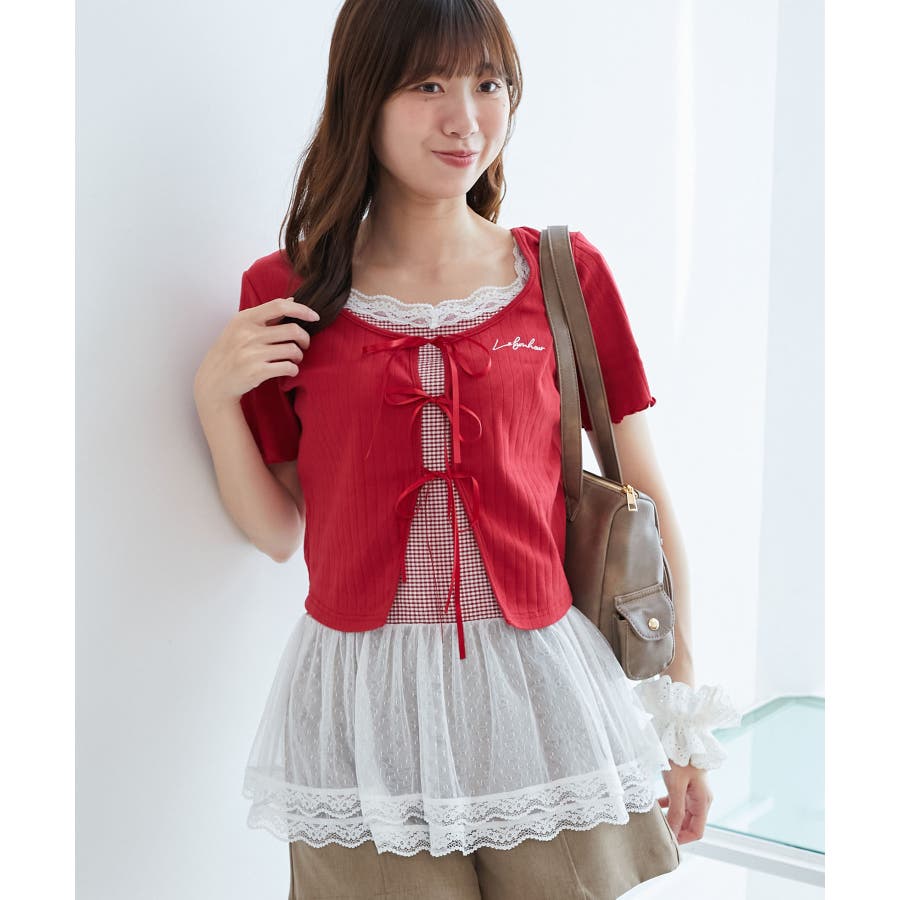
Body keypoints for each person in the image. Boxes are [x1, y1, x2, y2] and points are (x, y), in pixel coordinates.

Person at [193, 1, 741, 897]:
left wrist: (681, 718)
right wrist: (216, 399)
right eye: (427, 86)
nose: (467, 119)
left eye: (489, 84)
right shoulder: (288, 290)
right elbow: (277, 531)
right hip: (365, 712)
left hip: (542, 698)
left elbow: (647, 497)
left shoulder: (564, 274)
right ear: (362, 99)